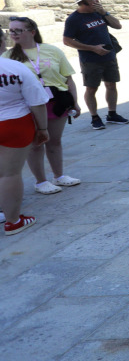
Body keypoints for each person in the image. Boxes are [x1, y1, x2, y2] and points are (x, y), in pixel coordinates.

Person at [7, 17, 80, 195]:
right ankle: (41, 181)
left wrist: (75, 101)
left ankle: (59, 176)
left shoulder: (52, 51)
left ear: (32, 32)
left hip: (56, 102)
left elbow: (68, 78)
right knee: (35, 144)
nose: (14, 34)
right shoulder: (8, 57)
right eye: (11, 31)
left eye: (18, 30)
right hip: (28, 106)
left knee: (55, 141)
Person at [0, 28, 49, 236]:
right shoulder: (14, 67)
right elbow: (37, 101)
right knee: (10, 173)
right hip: (14, 123)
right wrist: (43, 128)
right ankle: (13, 221)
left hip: (12, 121)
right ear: (1, 42)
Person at [62, 0, 128, 130]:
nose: (96, 0)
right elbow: (67, 41)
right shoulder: (74, 19)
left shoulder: (99, 13)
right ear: (84, 3)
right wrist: (93, 48)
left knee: (111, 85)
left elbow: (118, 25)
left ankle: (112, 113)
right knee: (92, 88)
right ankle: (94, 117)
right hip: (90, 59)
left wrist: (104, 12)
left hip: (109, 56)